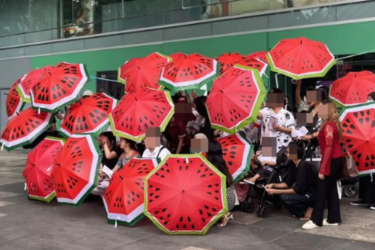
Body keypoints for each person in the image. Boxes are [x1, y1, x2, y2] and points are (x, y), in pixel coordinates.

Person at [303, 100, 343, 230]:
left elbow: (328, 148)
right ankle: (333, 218)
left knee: (322, 190)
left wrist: (323, 168)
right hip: (335, 159)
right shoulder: (331, 124)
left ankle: (316, 220)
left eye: (321, 109)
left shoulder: (328, 125)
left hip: (331, 160)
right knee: (331, 189)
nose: (318, 111)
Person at [266, 141, 317, 220]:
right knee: (279, 195)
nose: (286, 154)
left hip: (310, 195)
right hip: (301, 192)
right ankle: (301, 211)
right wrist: (273, 185)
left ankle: (305, 211)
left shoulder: (303, 166)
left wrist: (275, 191)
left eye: (288, 152)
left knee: (284, 196)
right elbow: (287, 183)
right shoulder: (293, 164)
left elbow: (298, 189)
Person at [206, 140, 235, 228]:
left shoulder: (211, 167)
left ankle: (223, 215)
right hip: (230, 198)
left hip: (223, 202)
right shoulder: (222, 164)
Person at [257, 88, 296, 152]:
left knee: (282, 161)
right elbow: (258, 115)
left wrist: (280, 128)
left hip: (283, 147)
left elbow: (292, 130)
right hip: (268, 146)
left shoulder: (287, 114)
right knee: (268, 162)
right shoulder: (266, 110)